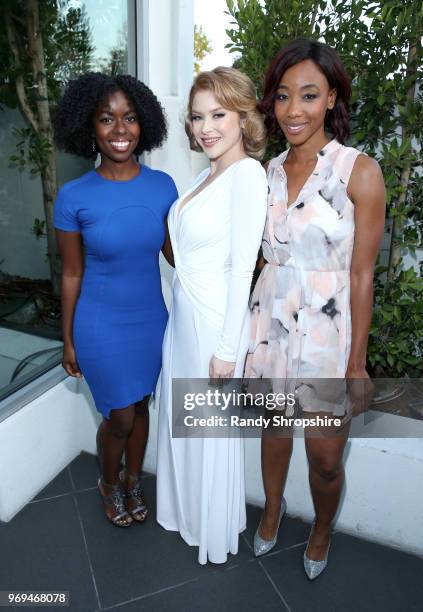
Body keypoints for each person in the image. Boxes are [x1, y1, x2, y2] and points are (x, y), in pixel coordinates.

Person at [245, 39, 385, 578]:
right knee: (274, 431)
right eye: (282, 97)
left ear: (331, 99)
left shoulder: (359, 172)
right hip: (271, 322)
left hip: (329, 332)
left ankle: (322, 527)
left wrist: (356, 363)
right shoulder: (266, 173)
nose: (293, 110)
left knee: (325, 458)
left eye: (308, 95)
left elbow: (362, 273)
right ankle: (273, 510)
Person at [54, 73, 177, 527]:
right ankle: (109, 480)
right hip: (100, 324)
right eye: (107, 119)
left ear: (143, 123)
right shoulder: (73, 196)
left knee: (141, 404)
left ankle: (132, 479)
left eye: (129, 118)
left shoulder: (164, 187)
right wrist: (68, 341)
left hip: (149, 320)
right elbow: (71, 272)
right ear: (91, 127)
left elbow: (176, 255)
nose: (120, 129)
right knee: (120, 415)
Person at [156, 67, 268, 564]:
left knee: (207, 427)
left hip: (212, 326)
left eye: (218, 114)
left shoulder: (246, 174)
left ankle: (211, 527)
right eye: (198, 116)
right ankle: (188, 514)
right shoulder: (206, 174)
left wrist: (228, 349)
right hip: (183, 320)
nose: (206, 127)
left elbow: (243, 269)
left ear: (243, 117)